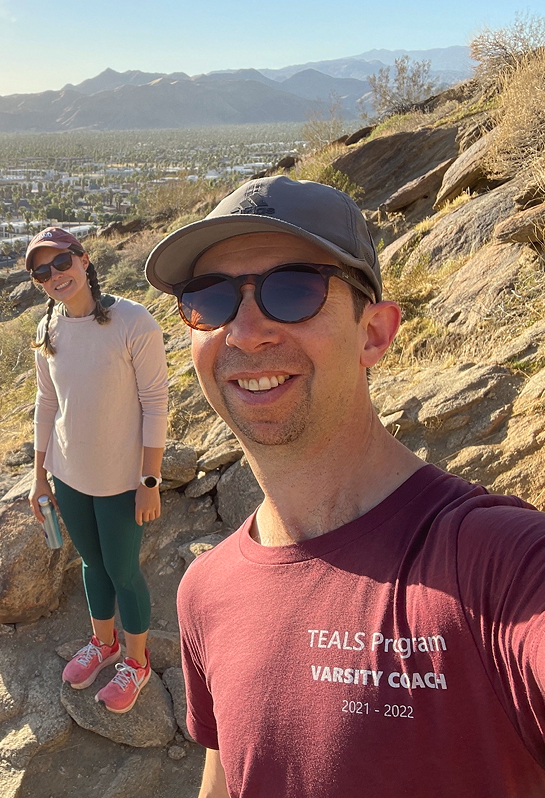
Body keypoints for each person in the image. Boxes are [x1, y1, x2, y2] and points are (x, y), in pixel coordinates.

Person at [144, 175, 545, 797]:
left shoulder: (499, 566)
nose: (245, 332)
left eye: (294, 290)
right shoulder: (207, 591)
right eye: (210, 299)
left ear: (374, 332)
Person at [27, 227, 169, 713]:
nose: (54, 275)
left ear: (84, 260)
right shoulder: (48, 329)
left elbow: (156, 404)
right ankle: (103, 643)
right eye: (41, 272)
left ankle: (136, 662)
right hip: (69, 476)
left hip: (121, 479)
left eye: (61, 262)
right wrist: (39, 476)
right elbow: (46, 404)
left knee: (123, 570)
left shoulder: (133, 321)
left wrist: (149, 481)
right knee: (92, 563)